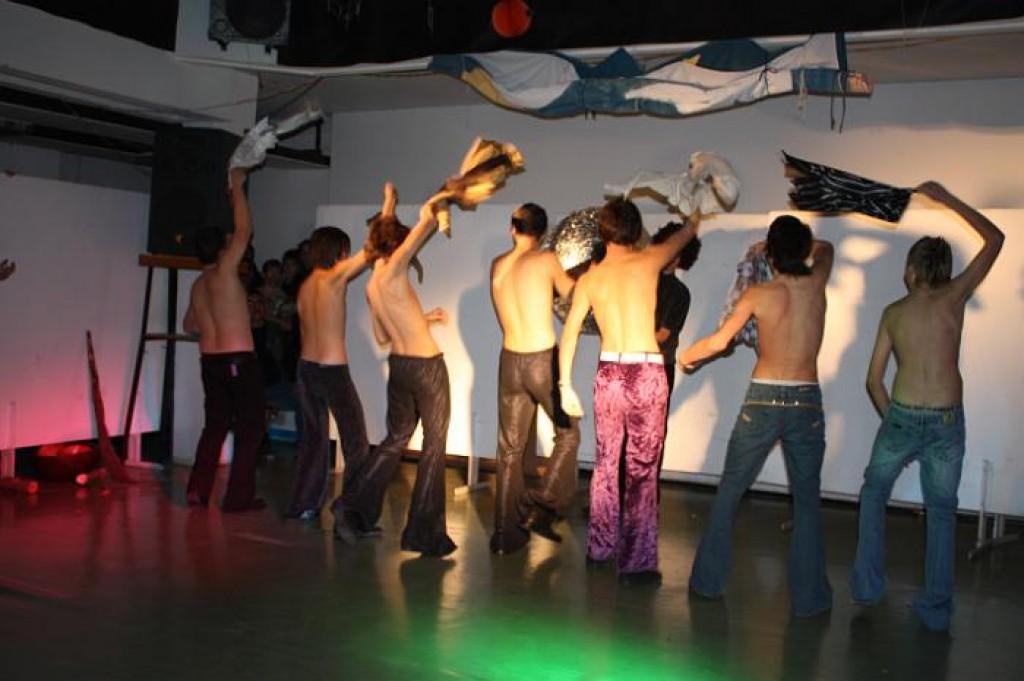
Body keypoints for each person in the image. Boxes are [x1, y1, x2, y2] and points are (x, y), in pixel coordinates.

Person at [850, 182, 1004, 631]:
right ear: (943, 269)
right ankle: (935, 612)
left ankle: (868, 588)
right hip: (946, 420)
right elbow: (995, 239)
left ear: (912, 269)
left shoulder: (894, 313)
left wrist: (894, 421)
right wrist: (948, 199)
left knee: (873, 494)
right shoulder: (956, 297)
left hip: (902, 415)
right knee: (941, 512)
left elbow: (873, 380)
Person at [679, 215, 834, 617]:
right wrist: (794, 246)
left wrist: (687, 356)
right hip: (805, 400)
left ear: (770, 255)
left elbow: (720, 342)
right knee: (806, 502)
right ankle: (810, 601)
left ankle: (707, 583)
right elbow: (826, 249)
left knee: (731, 490)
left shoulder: (758, 294)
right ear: (803, 249)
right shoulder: (817, 281)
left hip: (763, 398)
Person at [559, 198, 699, 583]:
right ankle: (636, 562)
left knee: (606, 464)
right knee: (641, 469)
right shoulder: (650, 260)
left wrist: (564, 384)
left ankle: (600, 547)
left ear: (602, 231)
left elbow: (569, 333)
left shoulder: (590, 279)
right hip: (647, 373)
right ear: (637, 231)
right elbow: (688, 232)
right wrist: (693, 208)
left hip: (610, 373)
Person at [333, 185, 455, 556]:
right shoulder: (396, 268)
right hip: (427, 368)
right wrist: (444, 195)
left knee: (395, 438)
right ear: (396, 244)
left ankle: (351, 507)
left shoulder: (373, 285)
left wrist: (388, 204)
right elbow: (426, 223)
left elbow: (384, 335)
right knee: (434, 445)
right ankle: (422, 534)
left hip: (399, 367)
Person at [489, 203, 580, 554]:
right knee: (569, 434)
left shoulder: (498, 265)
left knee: (510, 450)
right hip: (542, 360)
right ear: (542, 233)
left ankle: (505, 536)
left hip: (509, 361)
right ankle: (541, 507)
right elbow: (575, 295)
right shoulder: (546, 260)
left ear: (513, 228)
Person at [182, 166, 266, 512]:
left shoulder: (198, 285)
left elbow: (190, 326)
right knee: (250, 429)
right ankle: (237, 498)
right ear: (221, 249)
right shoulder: (226, 272)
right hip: (238, 361)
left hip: (210, 362)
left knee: (214, 427)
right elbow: (245, 230)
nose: (233, 242)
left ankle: (197, 490)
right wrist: (237, 187)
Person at [285, 221, 372, 520]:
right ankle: (350, 511)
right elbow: (371, 251)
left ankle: (304, 505)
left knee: (313, 440)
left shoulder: (305, 285)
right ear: (340, 251)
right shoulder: (334, 277)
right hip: (332, 371)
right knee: (356, 443)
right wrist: (388, 207)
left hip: (306, 369)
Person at [651, 223, 701, 500]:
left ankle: (646, 499)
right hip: (631, 365)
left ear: (680, 256)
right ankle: (614, 498)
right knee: (621, 433)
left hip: (659, 368)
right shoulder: (641, 279)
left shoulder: (679, 292)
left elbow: (663, 334)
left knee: (653, 434)